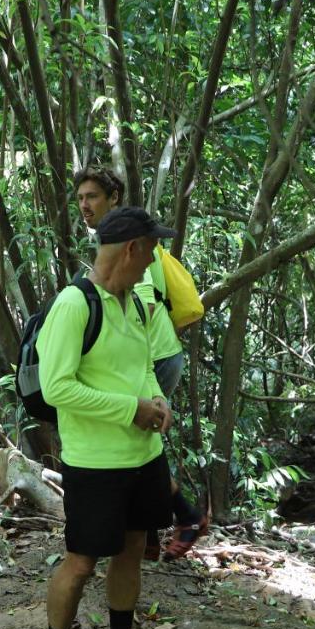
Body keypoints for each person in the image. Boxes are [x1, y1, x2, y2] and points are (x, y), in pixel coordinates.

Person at [37, 206, 175, 629]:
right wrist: (129, 409)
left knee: (133, 548)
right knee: (80, 563)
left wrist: (156, 400)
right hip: (95, 463)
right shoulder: (75, 304)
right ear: (131, 250)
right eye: (151, 248)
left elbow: (142, 368)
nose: (154, 259)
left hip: (144, 457)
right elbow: (57, 387)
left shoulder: (136, 303)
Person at [73, 167, 209, 561]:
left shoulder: (133, 240)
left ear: (113, 198)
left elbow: (143, 309)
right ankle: (147, 536)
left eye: (93, 197)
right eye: (81, 198)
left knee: (141, 439)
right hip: (149, 355)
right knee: (138, 438)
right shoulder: (109, 239)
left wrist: (139, 371)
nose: (85, 205)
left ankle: (183, 517)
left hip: (154, 356)